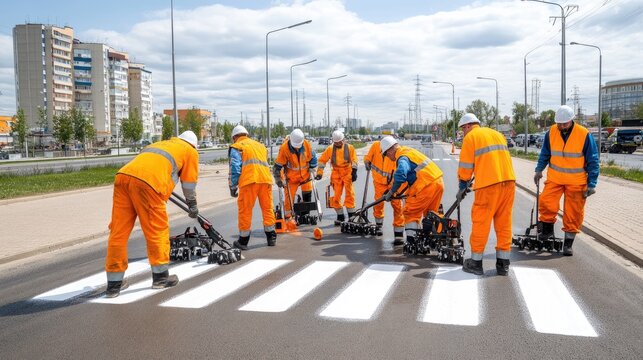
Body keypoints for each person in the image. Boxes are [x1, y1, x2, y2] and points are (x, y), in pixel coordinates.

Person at [105, 130, 200, 298]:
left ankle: (113, 285)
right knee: (157, 230)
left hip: (123, 177)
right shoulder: (190, 150)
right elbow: (189, 183)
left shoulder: (158, 144)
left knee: (118, 232)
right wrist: (192, 205)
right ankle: (161, 278)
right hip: (149, 183)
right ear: (194, 145)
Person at [534, 105, 599, 256]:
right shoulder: (551, 132)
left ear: (571, 121)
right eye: (559, 124)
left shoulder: (584, 134)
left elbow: (593, 160)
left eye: (565, 124)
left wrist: (592, 183)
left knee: (573, 212)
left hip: (576, 181)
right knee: (546, 202)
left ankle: (568, 244)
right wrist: (538, 169)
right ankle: (548, 230)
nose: (562, 126)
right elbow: (545, 153)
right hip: (555, 178)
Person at [457, 113, 515, 276]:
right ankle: (503, 264)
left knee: (481, 222)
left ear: (467, 126)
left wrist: (462, 185)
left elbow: (466, 166)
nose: (463, 133)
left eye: (463, 129)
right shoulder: (497, 134)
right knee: (504, 223)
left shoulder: (471, 137)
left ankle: (475, 263)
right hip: (509, 182)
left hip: (489, 185)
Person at [381, 136, 444, 248]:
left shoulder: (402, 157)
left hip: (425, 185)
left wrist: (391, 192)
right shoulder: (408, 151)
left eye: (386, 154)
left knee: (410, 213)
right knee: (431, 214)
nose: (387, 157)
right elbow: (410, 177)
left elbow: (401, 174)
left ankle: (413, 243)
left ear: (390, 149)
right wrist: (394, 192)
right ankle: (433, 240)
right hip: (437, 182)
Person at [229, 125, 277, 250]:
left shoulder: (237, 147)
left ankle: (243, 241)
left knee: (245, 210)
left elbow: (235, 167)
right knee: (268, 209)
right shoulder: (260, 146)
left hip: (249, 181)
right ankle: (271, 237)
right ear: (246, 134)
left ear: (234, 137)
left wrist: (233, 186)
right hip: (265, 180)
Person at [364, 139, 405, 243]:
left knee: (398, 205)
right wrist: (367, 161)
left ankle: (398, 233)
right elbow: (368, 157)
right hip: (379, 182)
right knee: (378, 203)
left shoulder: (397, 152)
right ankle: (378, 225)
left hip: (393, 183)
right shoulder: (375, 146)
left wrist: (392, 189)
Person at [273, 129, 318, 220]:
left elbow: (313, 158)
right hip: (291, 178)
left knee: (307, 192)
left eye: (299, 146)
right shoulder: (284, 148)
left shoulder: (307, 144)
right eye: (295, 146)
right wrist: (278, 178)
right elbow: (277, 166)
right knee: (289, 197)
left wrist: (312, 169)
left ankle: (305, 215)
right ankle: (288, 217)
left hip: (305, 176)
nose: (297, 148)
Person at [315, 130, 358, 224]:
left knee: (350, 194)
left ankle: (351, 217)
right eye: (337, 142)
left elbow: (354, 160)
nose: (339, 143)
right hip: (336, 174)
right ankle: (340, 216)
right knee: (336, 197)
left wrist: (354, 171)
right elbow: (322, 161)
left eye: (340, 141)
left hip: (347, 172)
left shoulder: (350, 148)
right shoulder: (330, 149)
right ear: (333, 141)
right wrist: (319, 173)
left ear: (343, 139)